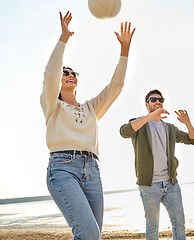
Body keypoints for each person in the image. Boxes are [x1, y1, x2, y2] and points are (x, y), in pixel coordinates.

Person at [40, 11, 135, 239]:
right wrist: (64, 39)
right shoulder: (52, 105)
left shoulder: (91, 108)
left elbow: (116, 87)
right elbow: (49, 75)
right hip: (63, 168)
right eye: (65, 73)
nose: (69, 74)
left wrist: (124, 50)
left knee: (93, 235)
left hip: (92, 169)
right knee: (88, 233)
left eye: (73, 73)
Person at [120, 89, 194, 240]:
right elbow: (124, 131)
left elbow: (192, 139)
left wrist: (187, 122)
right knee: (152, 226)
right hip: (149, 186)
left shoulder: (170, 128)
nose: (158, 102)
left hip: (171, 184)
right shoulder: (139, 124)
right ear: (146, 104)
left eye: (160, 100)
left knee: (179, 223)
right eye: (153, 99)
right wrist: (149, 117)